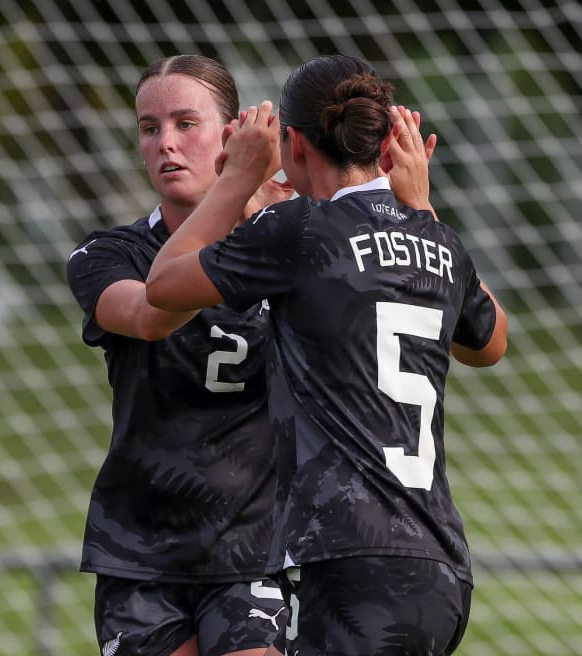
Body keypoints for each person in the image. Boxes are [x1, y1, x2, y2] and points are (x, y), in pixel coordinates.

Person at [146, 54, 508, 656]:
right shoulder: (436, 237)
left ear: (292, 141)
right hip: (442, 567)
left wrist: (236, 179)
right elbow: (490, 343)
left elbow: (163, 285)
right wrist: (422, 209)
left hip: (350, 562)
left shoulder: (301, 229)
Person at [66, 55, 292, 656]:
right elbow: (152, 312)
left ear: (233, 134)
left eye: (185, 123)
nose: (166, 143)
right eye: (149, 128)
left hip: (256, 546)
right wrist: (235, 194)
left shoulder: (287, 247)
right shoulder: (106, 254)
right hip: (140, 548)